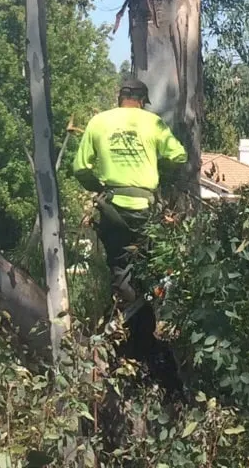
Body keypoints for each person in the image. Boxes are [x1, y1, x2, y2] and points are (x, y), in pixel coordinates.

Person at [74, 77, 186, 372]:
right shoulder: (152, 122)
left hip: (112, 208)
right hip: (144, 208)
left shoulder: (99, 122)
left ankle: (127, 336)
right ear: (142, 101)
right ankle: (142, 339)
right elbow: (179, 156)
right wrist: (158, 169)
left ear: (120, 98)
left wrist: (99, 186)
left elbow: (80, 168)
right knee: (149, 270)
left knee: (120, 267)